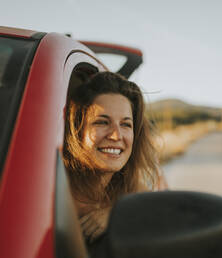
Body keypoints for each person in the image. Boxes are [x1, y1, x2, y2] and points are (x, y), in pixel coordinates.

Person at [63, 71, 166, 244]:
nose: (116, 135)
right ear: (77, 131)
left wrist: (116, 212)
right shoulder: (58, 194)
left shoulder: (128, 185)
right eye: (102, 122)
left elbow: (163, 211)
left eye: (126, 124)